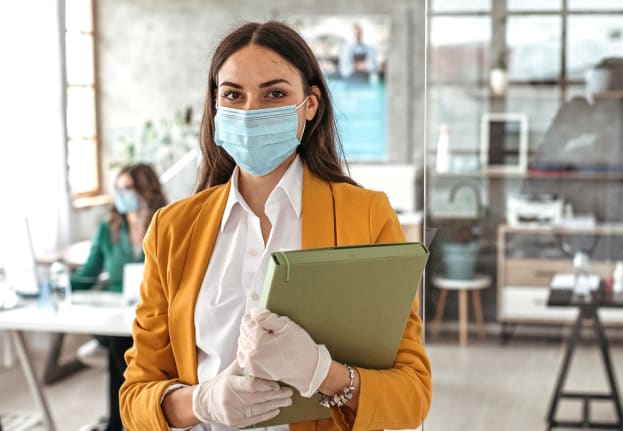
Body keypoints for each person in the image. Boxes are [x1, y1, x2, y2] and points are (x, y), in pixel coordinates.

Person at [119, 21, 431, 431]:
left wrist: (323, 372)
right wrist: (202, 400)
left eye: (275, 93)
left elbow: (412, 397)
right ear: (216, 106)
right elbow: (134, 400)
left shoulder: (366, 216)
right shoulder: (172, 229)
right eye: (233, 94)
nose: (251, 111)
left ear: (310, 105)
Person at [72, 163, 167, 431]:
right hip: (114, 315)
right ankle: (123, 421)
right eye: (118, 189)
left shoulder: (165, 222)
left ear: (145, 191)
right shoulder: (108, 229)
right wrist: (60, 284)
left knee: (134, 341)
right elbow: (89, 271)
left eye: (127, 188)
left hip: (152, 313)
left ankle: (130, 418)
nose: (120, 195)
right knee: (120, 341)